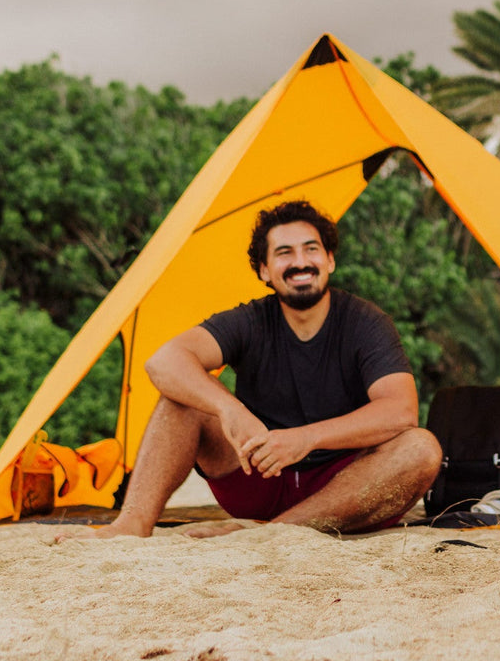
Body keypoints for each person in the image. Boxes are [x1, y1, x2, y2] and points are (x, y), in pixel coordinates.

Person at [71, 199, 442, 539]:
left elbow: (401, 411)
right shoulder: (249, 320)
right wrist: (230, 410)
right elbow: (163, 362)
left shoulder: (367, 322)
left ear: (329, 260)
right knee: (181, 399)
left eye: (311, 249)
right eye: (284, 253)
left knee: (422, 449)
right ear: (265, 270)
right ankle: (132, 524)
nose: (300, 261)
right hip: (259, 475)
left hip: (342, 485)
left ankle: (271, 532)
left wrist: (305, 438)